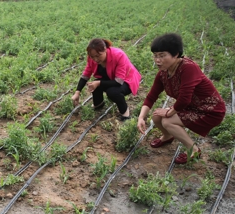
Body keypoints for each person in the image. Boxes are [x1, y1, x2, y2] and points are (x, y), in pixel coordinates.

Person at [137, 33, 226, 164]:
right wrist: (141, 117)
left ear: (176, 54)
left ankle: (193, 150)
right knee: (156, 117)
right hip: (191, 107)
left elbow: (184, 99)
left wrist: (168, 112)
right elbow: (151, 96)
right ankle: (167, 136)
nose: (157, 60)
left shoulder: (188, 68)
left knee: (168, 121)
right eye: (155, 55)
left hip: (210, 110)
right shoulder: (163, 73)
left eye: (162, 55)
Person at [72, 38, 141, 121]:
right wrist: (77, 92)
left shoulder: (118, 55)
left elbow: (119, 81)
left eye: (98, 56)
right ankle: (98, 104)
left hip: (126, 80)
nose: (95, 59)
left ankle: (125, 113)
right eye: (93, 57)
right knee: (94, 84)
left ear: (105, 50)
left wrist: (99, 83)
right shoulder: (91, 58)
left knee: (113, 92)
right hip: (110, 77)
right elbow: (85, 75)